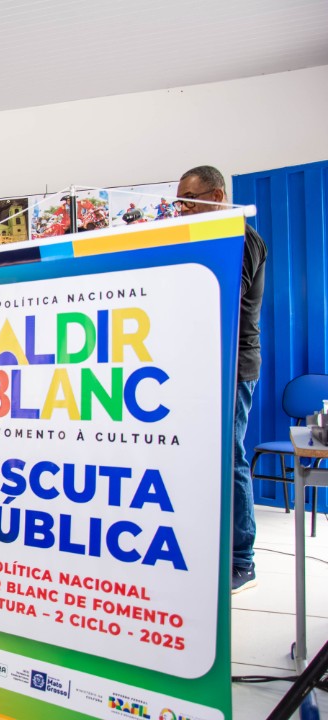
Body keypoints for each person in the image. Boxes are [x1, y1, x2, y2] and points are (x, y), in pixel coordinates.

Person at [176, 164, 267, 594]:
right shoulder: (209, 240)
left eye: (188, 201)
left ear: (215, 197)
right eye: (179, 204)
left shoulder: (241, 239)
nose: (182, 211)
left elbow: (223, 297)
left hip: (233, 367)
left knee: (230, 459)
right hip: (202, 366)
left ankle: (241, 561)